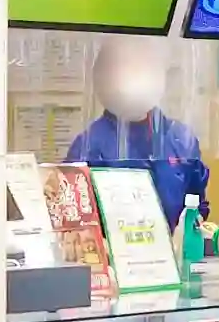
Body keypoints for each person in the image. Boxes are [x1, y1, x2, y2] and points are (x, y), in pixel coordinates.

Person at [64, 36, 210, 222]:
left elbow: (197, 203)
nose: (138, 78)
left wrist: (193, 226)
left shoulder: (181, 139)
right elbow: (76, 220)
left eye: (146, 69)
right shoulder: (88, 147)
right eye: (128, 69)